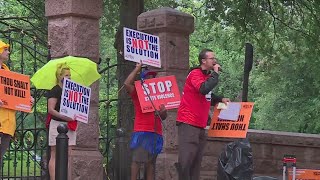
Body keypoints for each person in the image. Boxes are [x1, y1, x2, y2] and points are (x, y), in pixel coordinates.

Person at [176, 49, 230, 180]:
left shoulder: (207, 77)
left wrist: (220, 99)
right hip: (189, 122)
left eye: (214, 58)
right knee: (186, 160)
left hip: (200, 124)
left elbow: (207, 96)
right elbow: (203, 89)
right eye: (212, 58)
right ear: (203, 61)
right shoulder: (195, 74)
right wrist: (215, 74)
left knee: (196, 162)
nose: (214, 61)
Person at [124, 63, 167, 180]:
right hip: (142, 132)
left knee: (151, 164)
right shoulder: (138, 92)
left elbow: (164, 116)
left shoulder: (159, 94)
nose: (151, 79)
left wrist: (163, 111)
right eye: (148, 77)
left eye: (153, 77)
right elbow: (127, 84)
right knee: (137, 161)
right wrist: (137, 68)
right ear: (143, 79)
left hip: (156, 133)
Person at [0, 40, 34, 170]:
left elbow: (12, 94)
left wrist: (27, 99)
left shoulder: (7, 71)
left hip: (7, 125)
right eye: (5, 49)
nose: (8, 52)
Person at [46, 63, 77, 180]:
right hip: (57, 124)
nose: (69, 77)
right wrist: (65, 117)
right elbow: (51, 110)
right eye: (66, 75)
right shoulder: (55, 90)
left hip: (70, 125)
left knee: (69, 154)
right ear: (60, 76)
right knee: (54, 153)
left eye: (70, 75)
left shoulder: (72, 90)